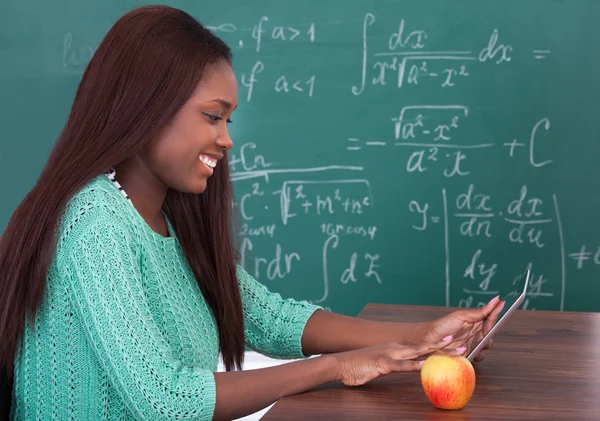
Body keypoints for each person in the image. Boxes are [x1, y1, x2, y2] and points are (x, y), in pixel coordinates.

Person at [0, 5, 504, 421]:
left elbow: (264, 318)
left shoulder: (167, 218)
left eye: (228, 119)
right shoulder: (95, 223)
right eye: (212, 116)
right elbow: (164, 400)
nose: (226, 138)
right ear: (146, 106)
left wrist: (416, 338)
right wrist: (337, 366)